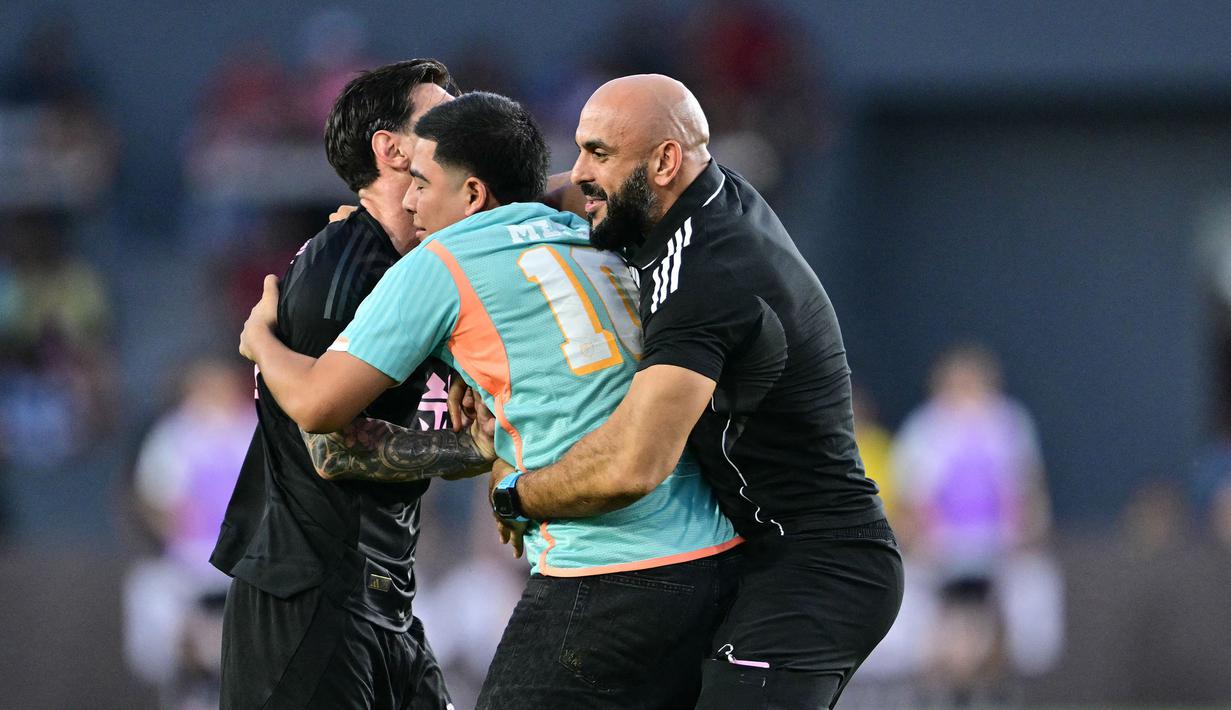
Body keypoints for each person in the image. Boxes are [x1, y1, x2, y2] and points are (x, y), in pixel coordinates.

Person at [238, 91, 741, 710]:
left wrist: (261, 342)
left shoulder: (440, 261)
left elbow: (317, 407)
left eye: (423, 183)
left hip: (606, 569)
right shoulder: (586, 228)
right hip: (716, 559)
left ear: (473, 195)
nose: (412, 199)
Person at [480, 74, 905, 710]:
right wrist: (453, 230)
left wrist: (516, 496)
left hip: (817, 566)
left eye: (598, 152)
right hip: (749, 553)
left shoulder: (707, 274)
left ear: (665, 160)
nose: (578, 173)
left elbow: (633, 467)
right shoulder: (695, 196)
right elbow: (564, 198)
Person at [211, 59, 492, 710]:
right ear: (390, 151)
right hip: (307, 599)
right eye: (439, 118)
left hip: (378, 597)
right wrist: (474, 448)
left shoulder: (401, 265)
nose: (462, 129)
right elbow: (329, 446)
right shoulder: (345, 270)